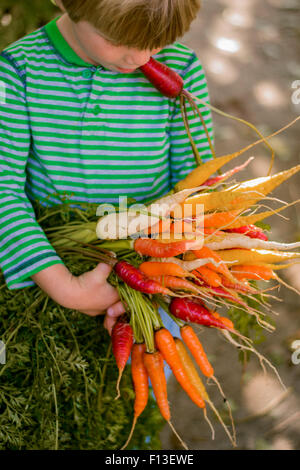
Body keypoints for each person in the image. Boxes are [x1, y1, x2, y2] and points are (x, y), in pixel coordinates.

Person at [0, 0, 213, 335]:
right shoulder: (17, 72)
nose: (141, 58)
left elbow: (193, 184)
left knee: (152, 359)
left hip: (152, 269)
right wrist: (65, 287)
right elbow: (4, 191)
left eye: (156, 42)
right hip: (48, 263)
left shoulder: (182, 70)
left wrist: (179, 265)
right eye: (118, 41)